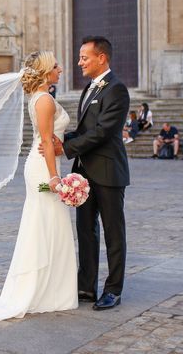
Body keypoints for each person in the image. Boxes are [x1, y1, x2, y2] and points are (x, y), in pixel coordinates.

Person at [0, 51, 77, 321]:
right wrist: (54, 177)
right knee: (46, 223)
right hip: (42, 169)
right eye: (56, 66)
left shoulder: (37, 98)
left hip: (40, 164)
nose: (60, 69)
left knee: (46, 223)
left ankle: (50, 289)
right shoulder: (45, 100)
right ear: (45, 71)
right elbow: (47, 141)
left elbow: (49, 140)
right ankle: (43, 290)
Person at [53, 36, 130, 311]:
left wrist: (66, 147)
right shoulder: (89, 88)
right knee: (86, 231)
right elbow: (87, 130)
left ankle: (113, 289)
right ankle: (86, 287)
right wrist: (61, 138)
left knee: (113, 233)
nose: (79, 62)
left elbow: (104, 131)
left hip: (109, 172)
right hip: (84, 174)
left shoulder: (117, 90)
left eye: (84, 57)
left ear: (102, 58)